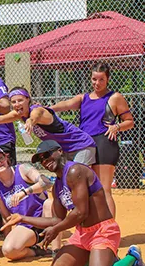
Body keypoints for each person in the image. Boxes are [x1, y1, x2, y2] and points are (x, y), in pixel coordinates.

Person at [2, 140, 145, 266]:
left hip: (102, 231)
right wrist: (22, 218)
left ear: (60, 151)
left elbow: (81, 212)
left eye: (47, 155)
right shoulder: (57, 185)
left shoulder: (75, 171)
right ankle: (101, 258)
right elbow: (57, 219)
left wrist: (56, 229)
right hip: (82, 235)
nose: (45, 161)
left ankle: (132, 257)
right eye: (40, 160)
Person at [50, 62, 134, 217]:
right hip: (85, 144)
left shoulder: (114, 97)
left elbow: (129, 121)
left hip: (104, 142)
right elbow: (66, 105)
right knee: (87, 187)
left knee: (104, 188)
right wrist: (48, 109)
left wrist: (117, 127)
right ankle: (94, 226)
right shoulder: (84, 98)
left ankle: (110, 229)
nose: (97, 83)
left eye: (101, 79)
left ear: (107, 79)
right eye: (94, 79)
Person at [0, 146, 60, 260]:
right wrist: (9, 238)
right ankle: (37, 251)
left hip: (43, 218)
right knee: (9, 250)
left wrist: (24, 192)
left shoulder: (22, 169)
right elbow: (7, 218)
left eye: (0, 158)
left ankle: (57, 251)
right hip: (26, 225)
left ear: (6, 158)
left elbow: (46, 182)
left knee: (49, 203)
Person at [0, 87, 96, 166]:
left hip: (81, 145)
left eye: (20, 100)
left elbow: (36, 116)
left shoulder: (37, 110)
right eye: (13, 102)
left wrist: (30, 122)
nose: (17, 104)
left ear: (28, 100)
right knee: (67, 182)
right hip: (65, 149)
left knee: (77, 178)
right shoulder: (18, 114)